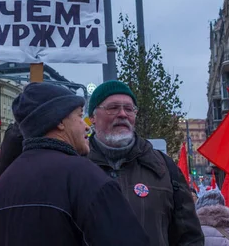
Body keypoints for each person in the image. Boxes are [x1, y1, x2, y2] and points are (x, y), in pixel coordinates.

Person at [0, 82, 151, 246]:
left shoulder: (2, 186)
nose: (86, 126)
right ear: (59, 122)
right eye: (79, 116)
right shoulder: (85, 176)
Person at [87, 80, 204, 245]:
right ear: (92, 117)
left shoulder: (164, 168)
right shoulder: (75, 167)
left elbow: (190, 237)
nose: (122, 114)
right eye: (113, 108)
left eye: (129, 109)